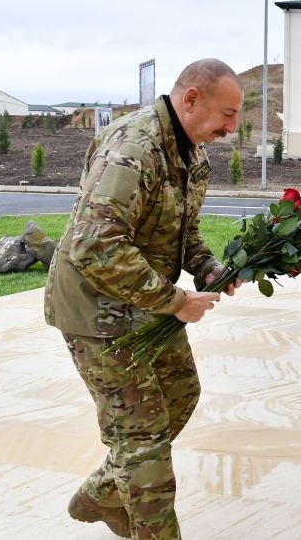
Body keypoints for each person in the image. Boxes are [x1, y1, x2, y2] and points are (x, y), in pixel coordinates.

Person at [45, 58, 244, 539]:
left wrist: (210, 268)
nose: (232, 127)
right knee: (143, 442)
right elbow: (95, 244)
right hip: (97, 313)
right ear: (191, 99)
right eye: (227, 114)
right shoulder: (134, 147)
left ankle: (101, 492)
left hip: (142, 307)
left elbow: (183, 232)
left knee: (181, 393)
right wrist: (177, 302)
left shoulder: (193, 153)